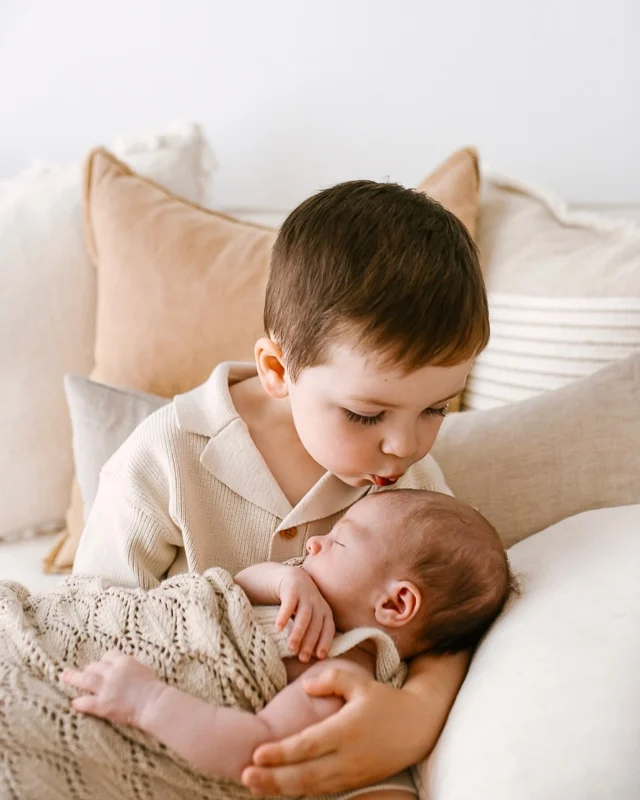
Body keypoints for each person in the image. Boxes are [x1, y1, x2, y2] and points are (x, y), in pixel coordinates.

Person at [73, 179, 489, 797]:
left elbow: (446, 616)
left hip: (310, 749)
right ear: (277, 371)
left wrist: (417, 714)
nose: (404, 446)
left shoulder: (409, 488)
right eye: (367, 415)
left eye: (437, 409)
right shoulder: (167, 455)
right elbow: (91, 621)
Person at [65, 490, 515, 786]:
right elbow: (231, 587)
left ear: (395, 605)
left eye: (340, 542)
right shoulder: (303, 591)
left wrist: (147, 702)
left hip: (139, 687)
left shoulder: (339, 673)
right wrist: (282, 581)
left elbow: (256, 750)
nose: (315, 542)